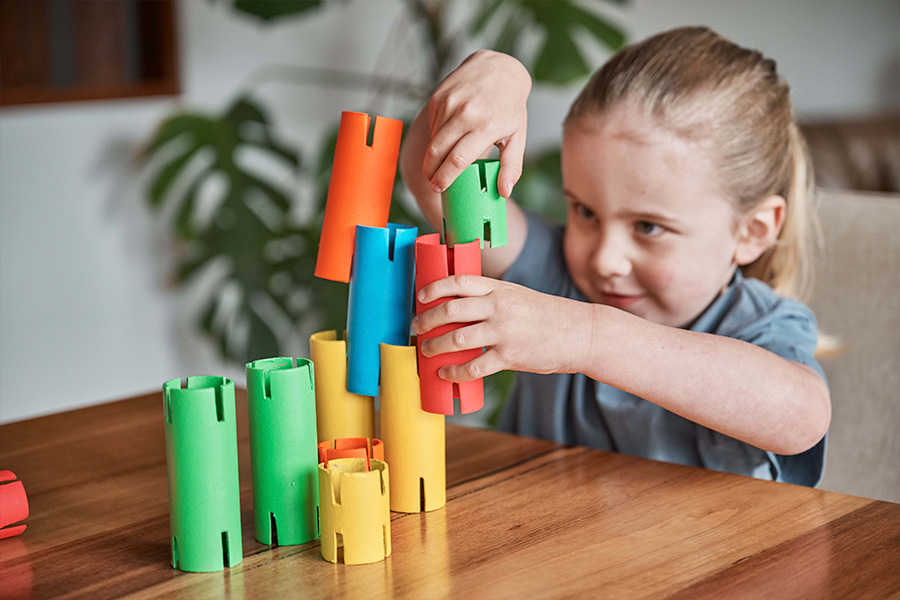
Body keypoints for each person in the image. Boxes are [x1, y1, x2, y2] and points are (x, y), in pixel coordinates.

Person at [399, 26, 830, 485]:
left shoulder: (759, 328)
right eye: (585, 212)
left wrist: (589, 338)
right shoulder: (554, 272)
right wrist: (497, 76)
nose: (605, 259)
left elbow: (802, 417)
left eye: (648, 227)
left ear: (753, 231)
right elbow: (432, 183)